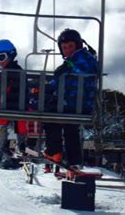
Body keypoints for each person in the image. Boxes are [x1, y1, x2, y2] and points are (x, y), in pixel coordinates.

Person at [42, 29, 98, 168]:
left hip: (75, 103)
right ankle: (74, 160)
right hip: (75, 104)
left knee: (50, 117)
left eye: (70, 46)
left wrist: (68, 67)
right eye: (64, 48)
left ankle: (54, 150)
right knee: (70, 128)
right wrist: (49, 86)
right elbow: (60, 81)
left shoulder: (83, 57)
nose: (67, 50)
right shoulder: (74, 61)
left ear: (78, 45)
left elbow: (88, 69)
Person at [0, 39, 28, 169]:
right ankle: (21, 143)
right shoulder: (21, 71)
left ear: (11, 55)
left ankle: (1, 141)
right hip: (22, 109)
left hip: (7, 108)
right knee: (20, 117)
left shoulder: (6, 74)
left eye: (1, 57)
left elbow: (1, 92)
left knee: (1, 116)